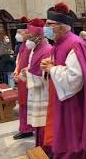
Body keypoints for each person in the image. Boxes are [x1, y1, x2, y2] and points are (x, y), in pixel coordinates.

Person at [40, 2, 86, 158]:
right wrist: (50, 67)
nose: (46, 28)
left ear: (62, 26)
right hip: (63, 100)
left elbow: (75, 78)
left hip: (74, 103)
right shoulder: (59, 44)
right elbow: (60, 68)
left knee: (74, 143)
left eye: (50, 24)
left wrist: (52, 69)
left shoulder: (74, 43)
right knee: (65, 139)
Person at [24, 18, 52, 151]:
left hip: (44, 96)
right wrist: (26, 72)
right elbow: (33, 68)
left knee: (45, 127)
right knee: (39, 128)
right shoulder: (35, 49)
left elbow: (46, 78)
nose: (27, 36)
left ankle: (45, 151)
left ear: (38, 36)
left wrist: (27, 74)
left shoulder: (47, 50)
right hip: (37, 95)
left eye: (29, 34)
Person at [12, 22, 34, 140]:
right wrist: (16, 71)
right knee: (23, 104)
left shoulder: (30, 45)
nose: (17, 35)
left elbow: (32, 62)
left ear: (26, 32)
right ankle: (25, 128)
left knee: (27, 104)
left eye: (19, 32)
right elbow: (19, 61)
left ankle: (27, 129)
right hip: (21, 78)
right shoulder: (22, 45)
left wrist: (21, 74)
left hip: (28, 78)